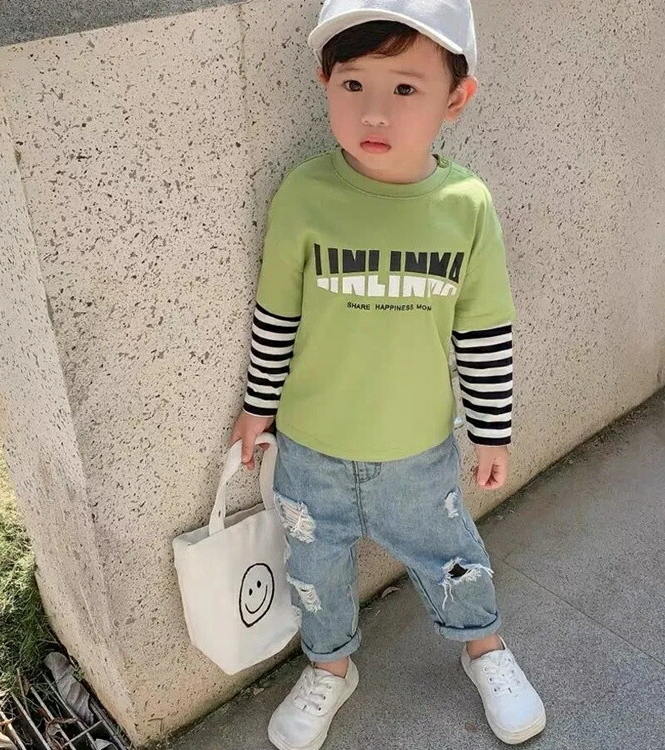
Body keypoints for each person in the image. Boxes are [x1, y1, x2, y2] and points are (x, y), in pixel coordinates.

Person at [229, 1, 545, 747]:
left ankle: (484, 649)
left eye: (405, 88)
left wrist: (492, 431)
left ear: (455, 98)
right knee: (316, 569)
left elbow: (482, 332)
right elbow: (276, 316)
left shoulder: (466, 206)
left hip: (417, 452)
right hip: (310, 448)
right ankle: (329, 668)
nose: (374, 112)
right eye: (353, 84)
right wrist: (257, 405)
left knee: (452, 556)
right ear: (324, 82)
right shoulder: (306, 194)